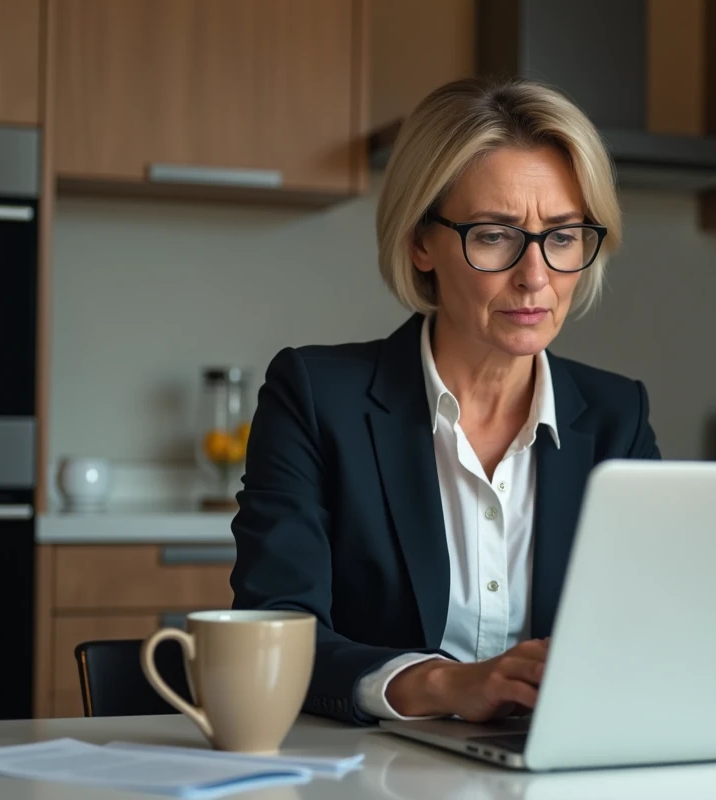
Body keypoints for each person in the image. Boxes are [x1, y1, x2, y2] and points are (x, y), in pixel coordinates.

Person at [229, 76, 660, 727]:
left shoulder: (617, 416)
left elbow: (655, 628)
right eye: (495, 235)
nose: (536, 277)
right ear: (419, 241)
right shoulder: (315, 397)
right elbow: (276, 631)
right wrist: (436, 684)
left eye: (564, 236)